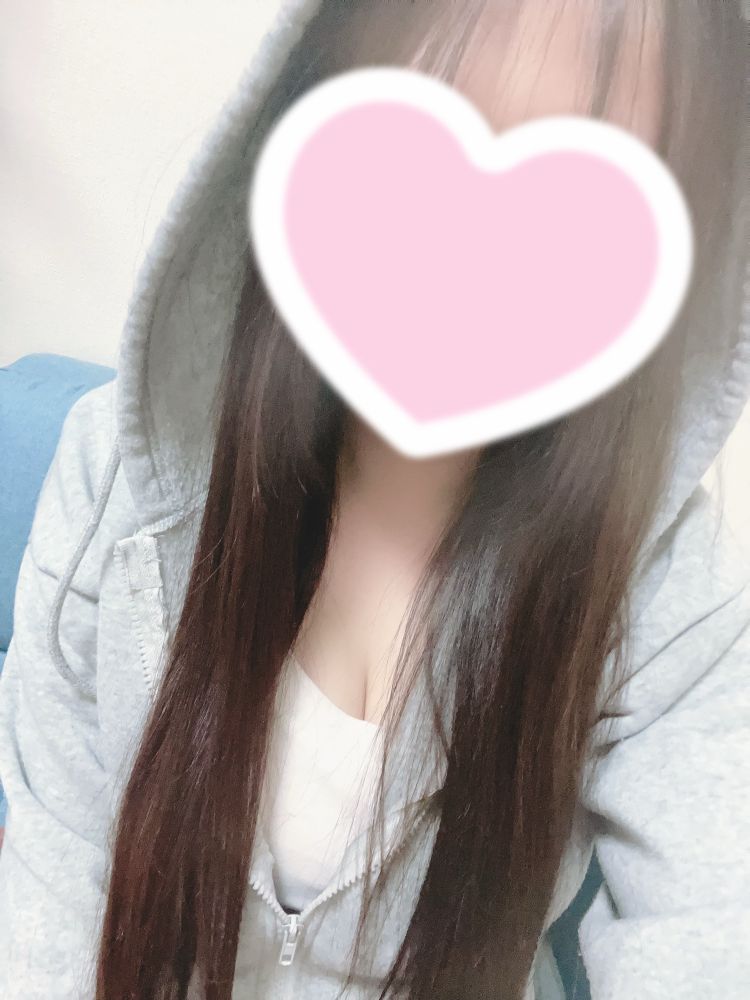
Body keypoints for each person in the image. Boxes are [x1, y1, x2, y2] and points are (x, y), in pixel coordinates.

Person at [0, 1, 748, 997]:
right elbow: (51, 876)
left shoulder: (668, 596)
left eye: (571, 200)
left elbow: (712, 932)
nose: (471, 257)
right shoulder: (115, 476)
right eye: (435, 119)